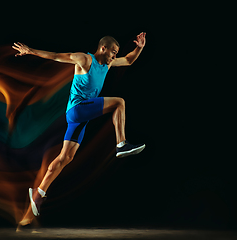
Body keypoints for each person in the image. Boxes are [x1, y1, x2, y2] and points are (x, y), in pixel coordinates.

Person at [12, 32, 146, 227]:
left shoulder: (107, 64)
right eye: (113, 52)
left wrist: (140, 47)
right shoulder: (84, 59)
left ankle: (37, 197)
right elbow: (57, 56)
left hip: (81, 116)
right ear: (103, 48)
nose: (114, 56)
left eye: (116, 54)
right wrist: (30, 51)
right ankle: (121, 144)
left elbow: (128, 60)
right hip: (77, 110)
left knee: (65, 158)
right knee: (119, 103)